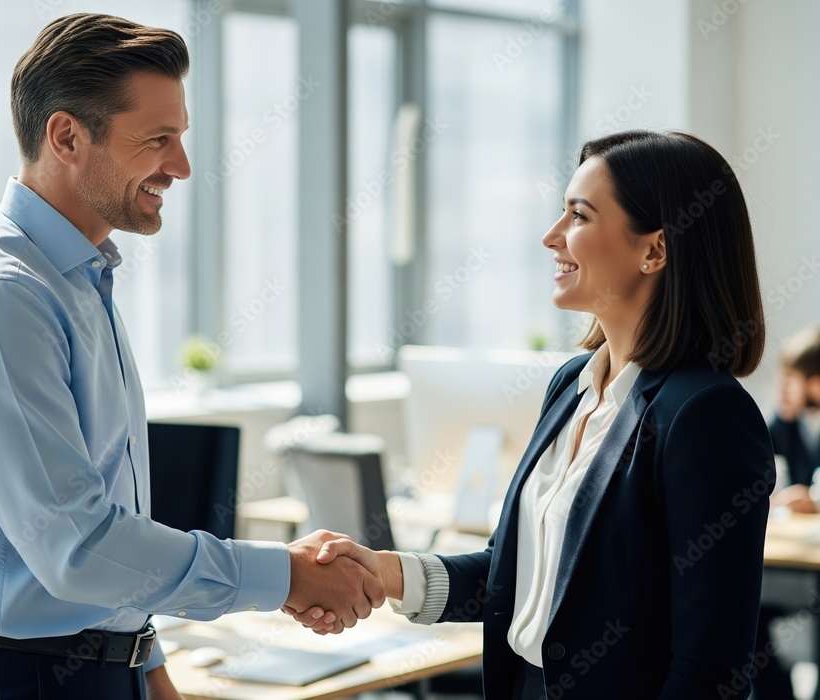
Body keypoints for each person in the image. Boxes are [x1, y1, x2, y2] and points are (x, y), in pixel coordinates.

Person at [0, 14, 382, 700]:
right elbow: (77, 547)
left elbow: (100, 541)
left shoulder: (79, 283)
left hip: (98, 673)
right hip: (16, 682)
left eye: (180, 138)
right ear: (66, 136)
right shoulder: (1, 298)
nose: (181, 166)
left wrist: (145, 662)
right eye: (158, 140)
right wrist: (287, 574)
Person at [289, 130, 775, 699]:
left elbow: (711, 669)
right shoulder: (572, 385)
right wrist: (381, 570)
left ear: (654, 250)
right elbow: (511, 574)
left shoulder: (705, 414)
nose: (551, 236)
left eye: (579, 216)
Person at [752, 325, 820, 700]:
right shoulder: (787, 424)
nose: (783, 389)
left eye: (791, 380)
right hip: (788, 559)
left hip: (811, 565)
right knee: (748, 613)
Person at [768, 325, 820, 512]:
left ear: (815, 384)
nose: (781, 389)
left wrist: (814, 501)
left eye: (790, 379)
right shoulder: (783, 425)